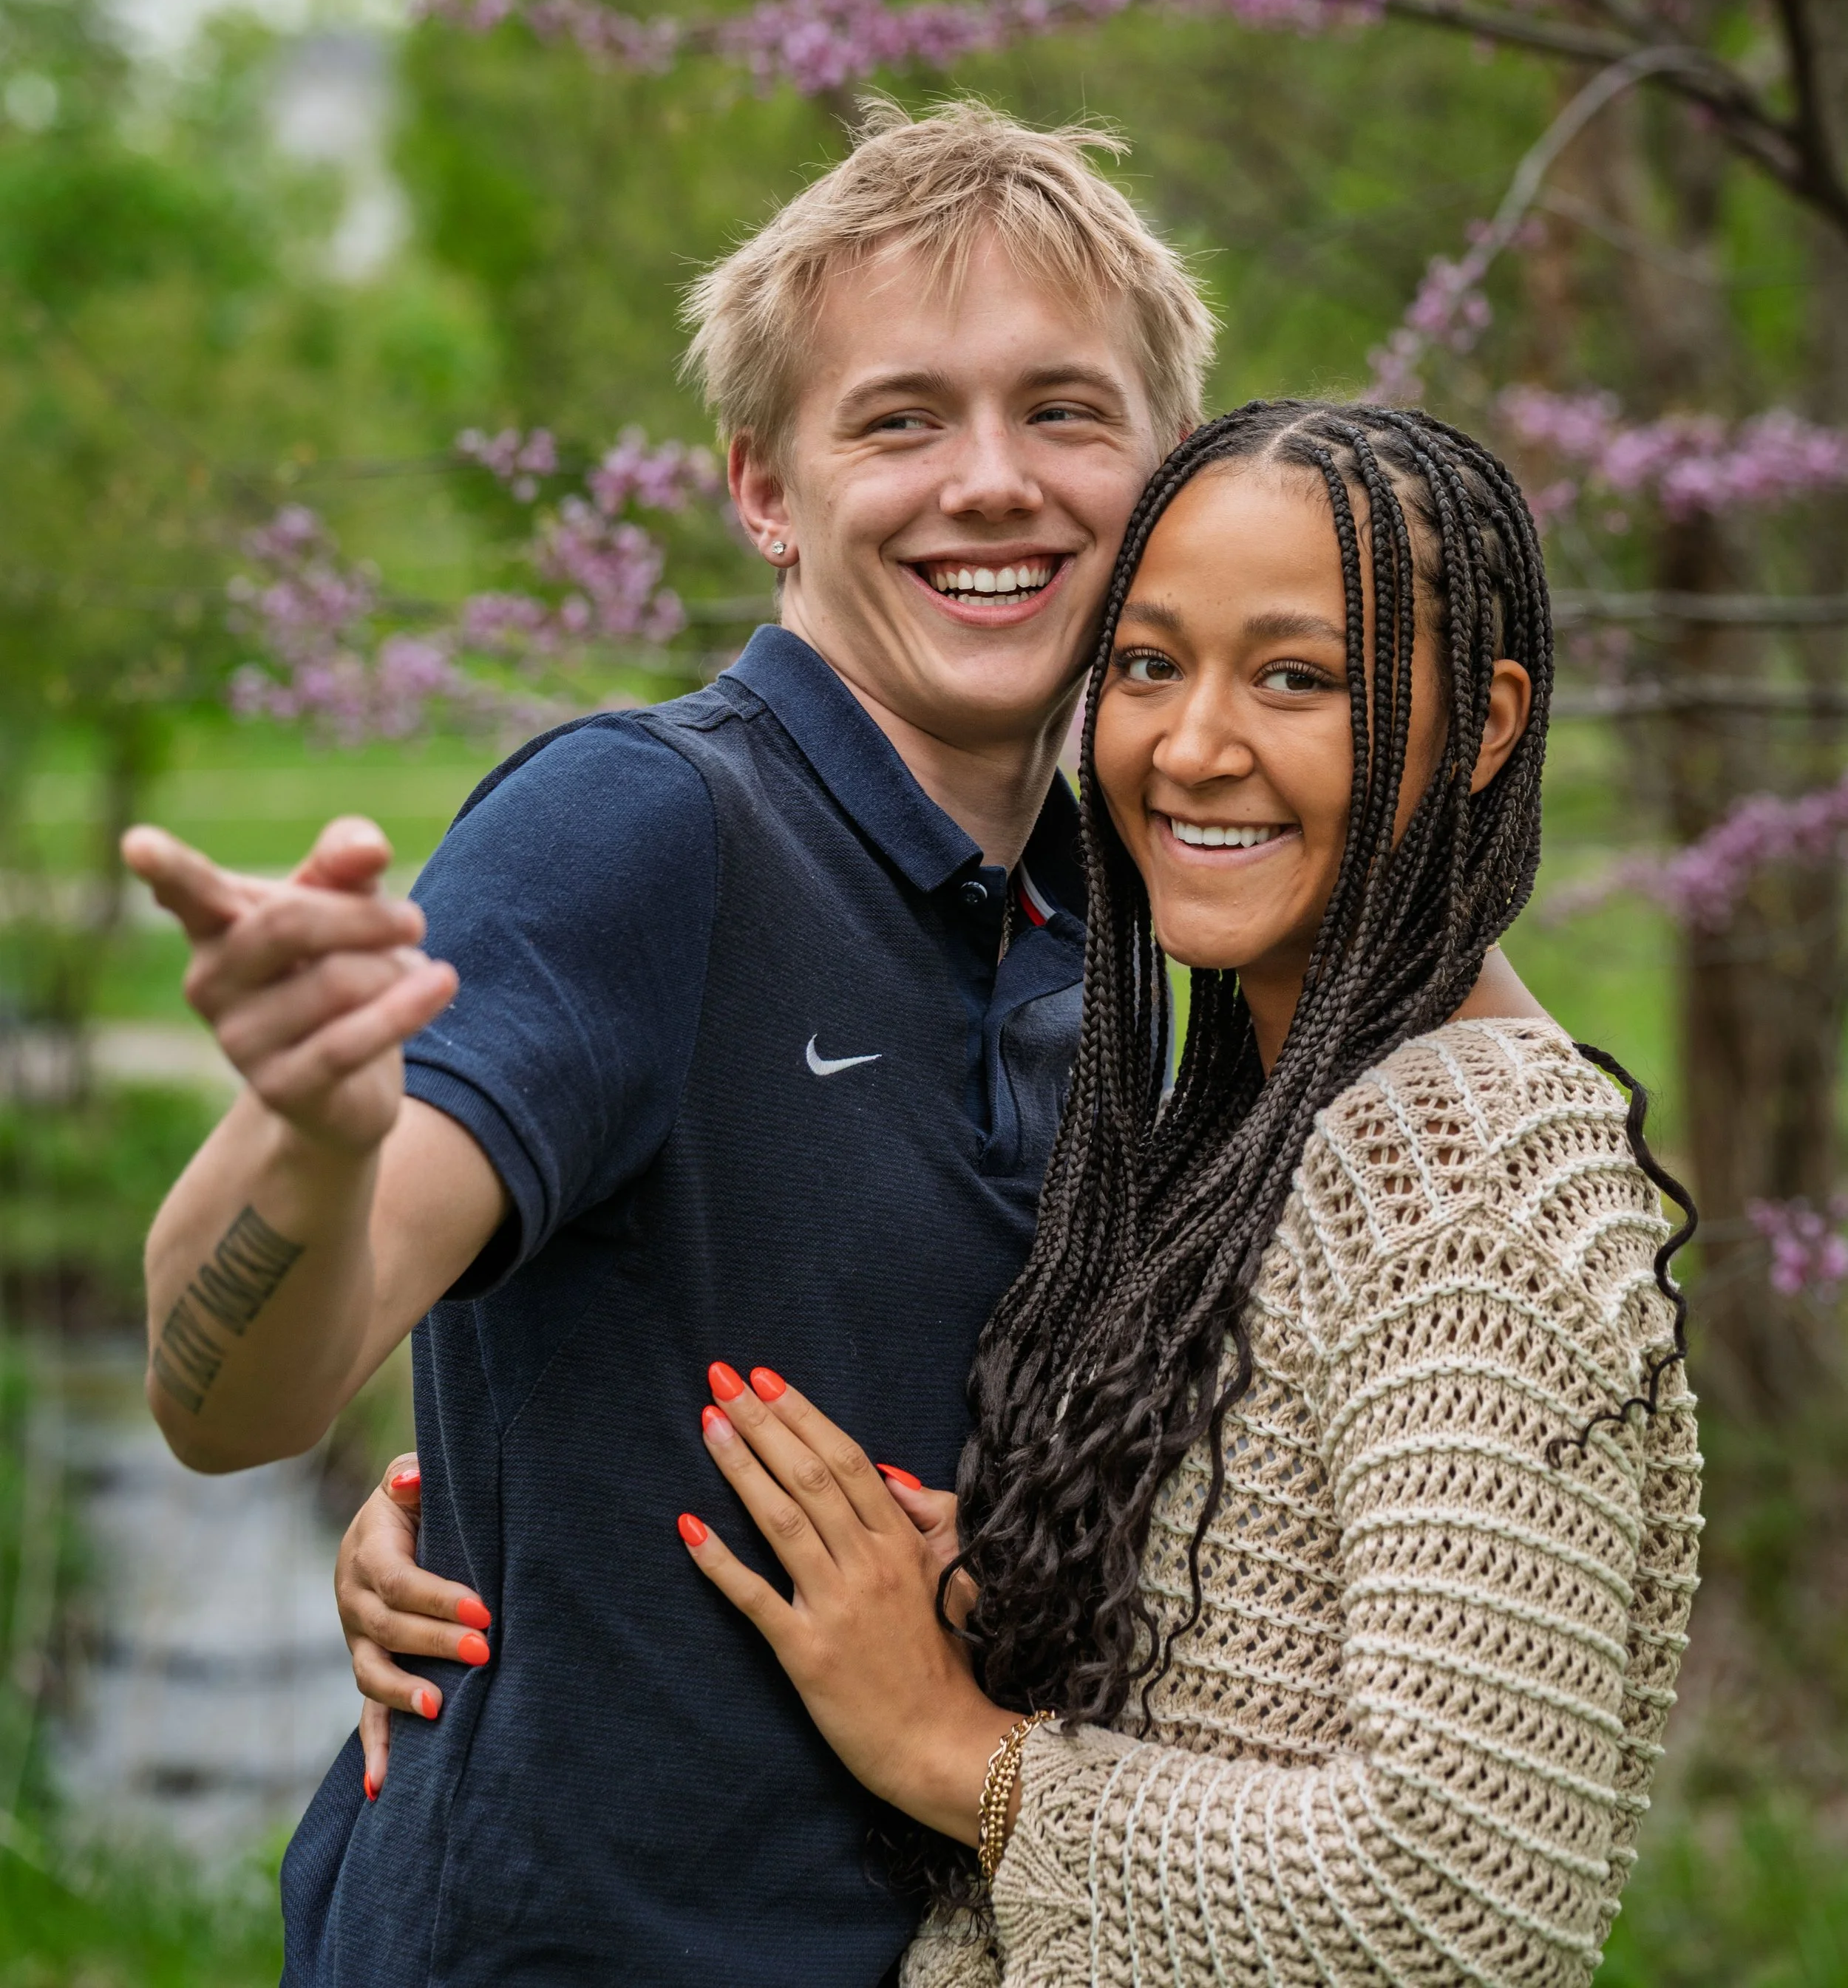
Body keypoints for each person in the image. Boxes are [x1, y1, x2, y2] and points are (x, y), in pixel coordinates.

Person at [124, 101, 1222, 1988]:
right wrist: (307, 1130)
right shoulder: (638, 829)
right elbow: (231, 1401)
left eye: (1062, 411)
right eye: (897, 419)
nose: (990, 482)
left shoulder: (1113, 910)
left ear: (1161, 471)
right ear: (762, 492)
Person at [616, 401, 1701, 1985]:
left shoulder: (1463, 1175)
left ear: (1478, 724)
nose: (1190, 746)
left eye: (1294, 678)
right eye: (1143, 665)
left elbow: (1461, 1886)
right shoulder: (1256, 1124)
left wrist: (952, 1755)